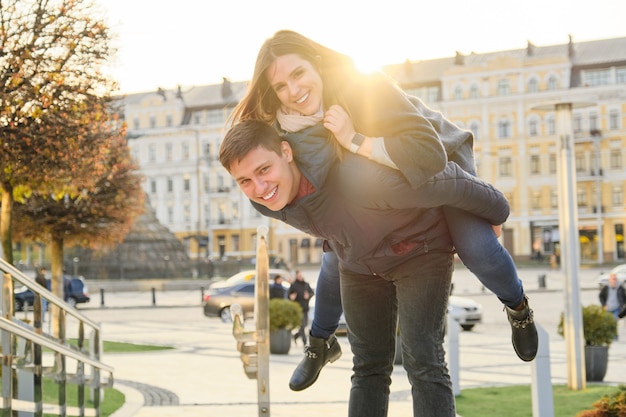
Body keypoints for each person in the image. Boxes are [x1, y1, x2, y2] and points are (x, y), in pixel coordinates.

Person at [229, 30, 538, 392]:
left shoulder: (363, 86)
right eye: (280, 86)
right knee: (337, 254)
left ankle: (518, 309)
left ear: (315, 62)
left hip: (438, 166)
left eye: (298, 74)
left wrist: (354, 140)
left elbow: (428, 155)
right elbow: (274, 165)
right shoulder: (287, 128)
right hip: (384, 196)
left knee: (476, 247)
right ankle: (319, 344)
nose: (293, 91)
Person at [220, 119, 511, 417]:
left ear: (286, 151)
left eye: (264, 170)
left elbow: (447, 182)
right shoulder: (265, 201)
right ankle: (319, 344)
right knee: (368, 366)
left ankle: (518, 308)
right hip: (359, 261)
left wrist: (496, 211)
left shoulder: (354, 174)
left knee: (423, 359)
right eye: (244, 181)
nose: (259, 187)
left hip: (418, 249)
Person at [288, 270, 314, 345]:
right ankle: (304, 341)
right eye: (298, 275)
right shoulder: (294, 285)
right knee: (302, 325)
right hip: (298, 308)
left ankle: (296, 336)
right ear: (296, 276)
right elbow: (289, 295)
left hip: (305, 307)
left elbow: (312, 293)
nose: (300, 277)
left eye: (301, 275)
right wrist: (292, 297)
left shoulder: (306, 284)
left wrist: (308, 295)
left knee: (305, 324)